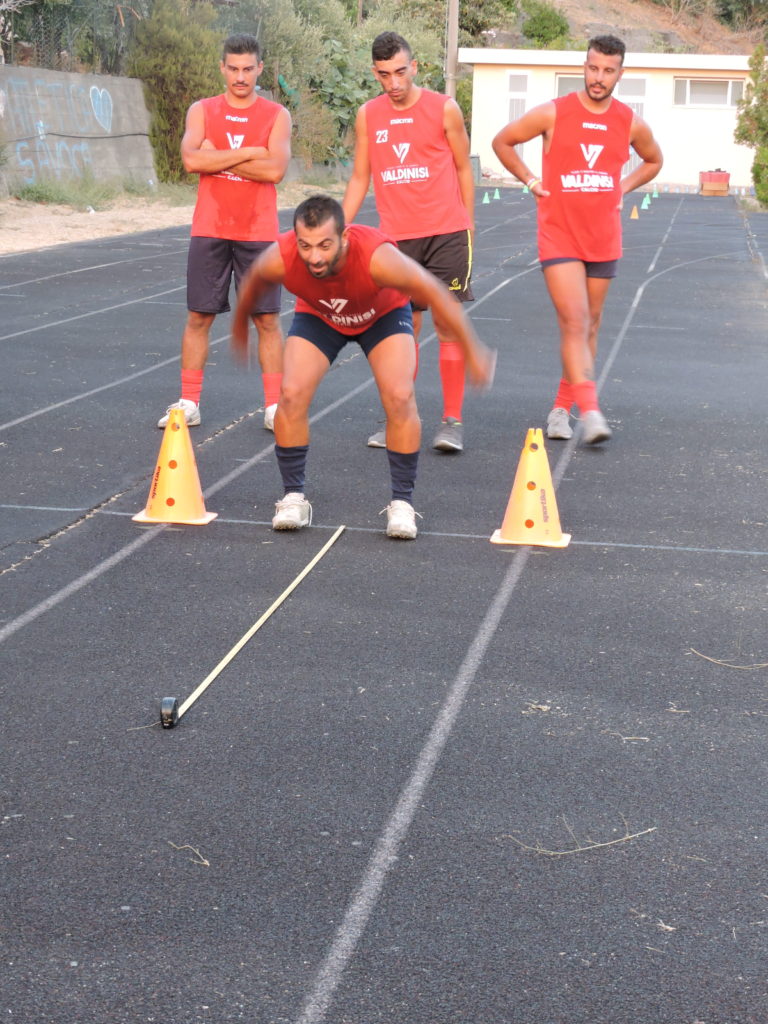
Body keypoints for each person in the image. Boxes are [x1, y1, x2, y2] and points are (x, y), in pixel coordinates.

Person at [231, 195, 495, 540]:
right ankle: (294, 497)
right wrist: (239, 328)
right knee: (291, 394)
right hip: (320, 316)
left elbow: (436, 292)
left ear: (345, 237)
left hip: (382, 317)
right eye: (306, 246)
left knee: (400, 397)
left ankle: (402, 503)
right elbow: (251, 285)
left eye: (325, 245)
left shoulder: (378, 258)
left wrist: (473, 351)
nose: (314, 257)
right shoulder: (280, 257)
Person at [492, 34, 663, 444]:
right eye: (592, 68)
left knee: (591, 325)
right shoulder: (554, 113)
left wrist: (624, 186)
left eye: (607, 70)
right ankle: (590, 409)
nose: (598, 77)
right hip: (559, 236)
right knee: (574, 319)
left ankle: (560, 409)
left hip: (604, 238)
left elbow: (655, 160)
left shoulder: (629, 121)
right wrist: (531, 179)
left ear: (621, 73)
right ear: (583, 67)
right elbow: (503, 141)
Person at [342, 31, 476, 454]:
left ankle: (451, 421)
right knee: (402, 330)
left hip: (446, 233)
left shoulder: (444, 109)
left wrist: (468, 225)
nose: (394, 83)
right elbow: (361, 176)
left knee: (448, 323)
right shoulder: (368, 115)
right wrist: (338, 227)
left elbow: (462, 167)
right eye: (385, 75)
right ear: (375, 73)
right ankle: (399, 416)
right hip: (396, 240)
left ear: (414, 66)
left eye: (401, 72)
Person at [157, 33, 292, 432]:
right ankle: (189, 402)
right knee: (199, 316)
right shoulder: (201, 110)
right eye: (233, 68)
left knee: (266, 320)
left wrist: (216, 158)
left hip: (258, 231)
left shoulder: (276, 115)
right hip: (210, 228)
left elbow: (275, 171)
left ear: (260, 69)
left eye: (248, 69)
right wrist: (251, 151)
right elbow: (189, 159)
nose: (240, 76)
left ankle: (273, 407)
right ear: (222, 68)